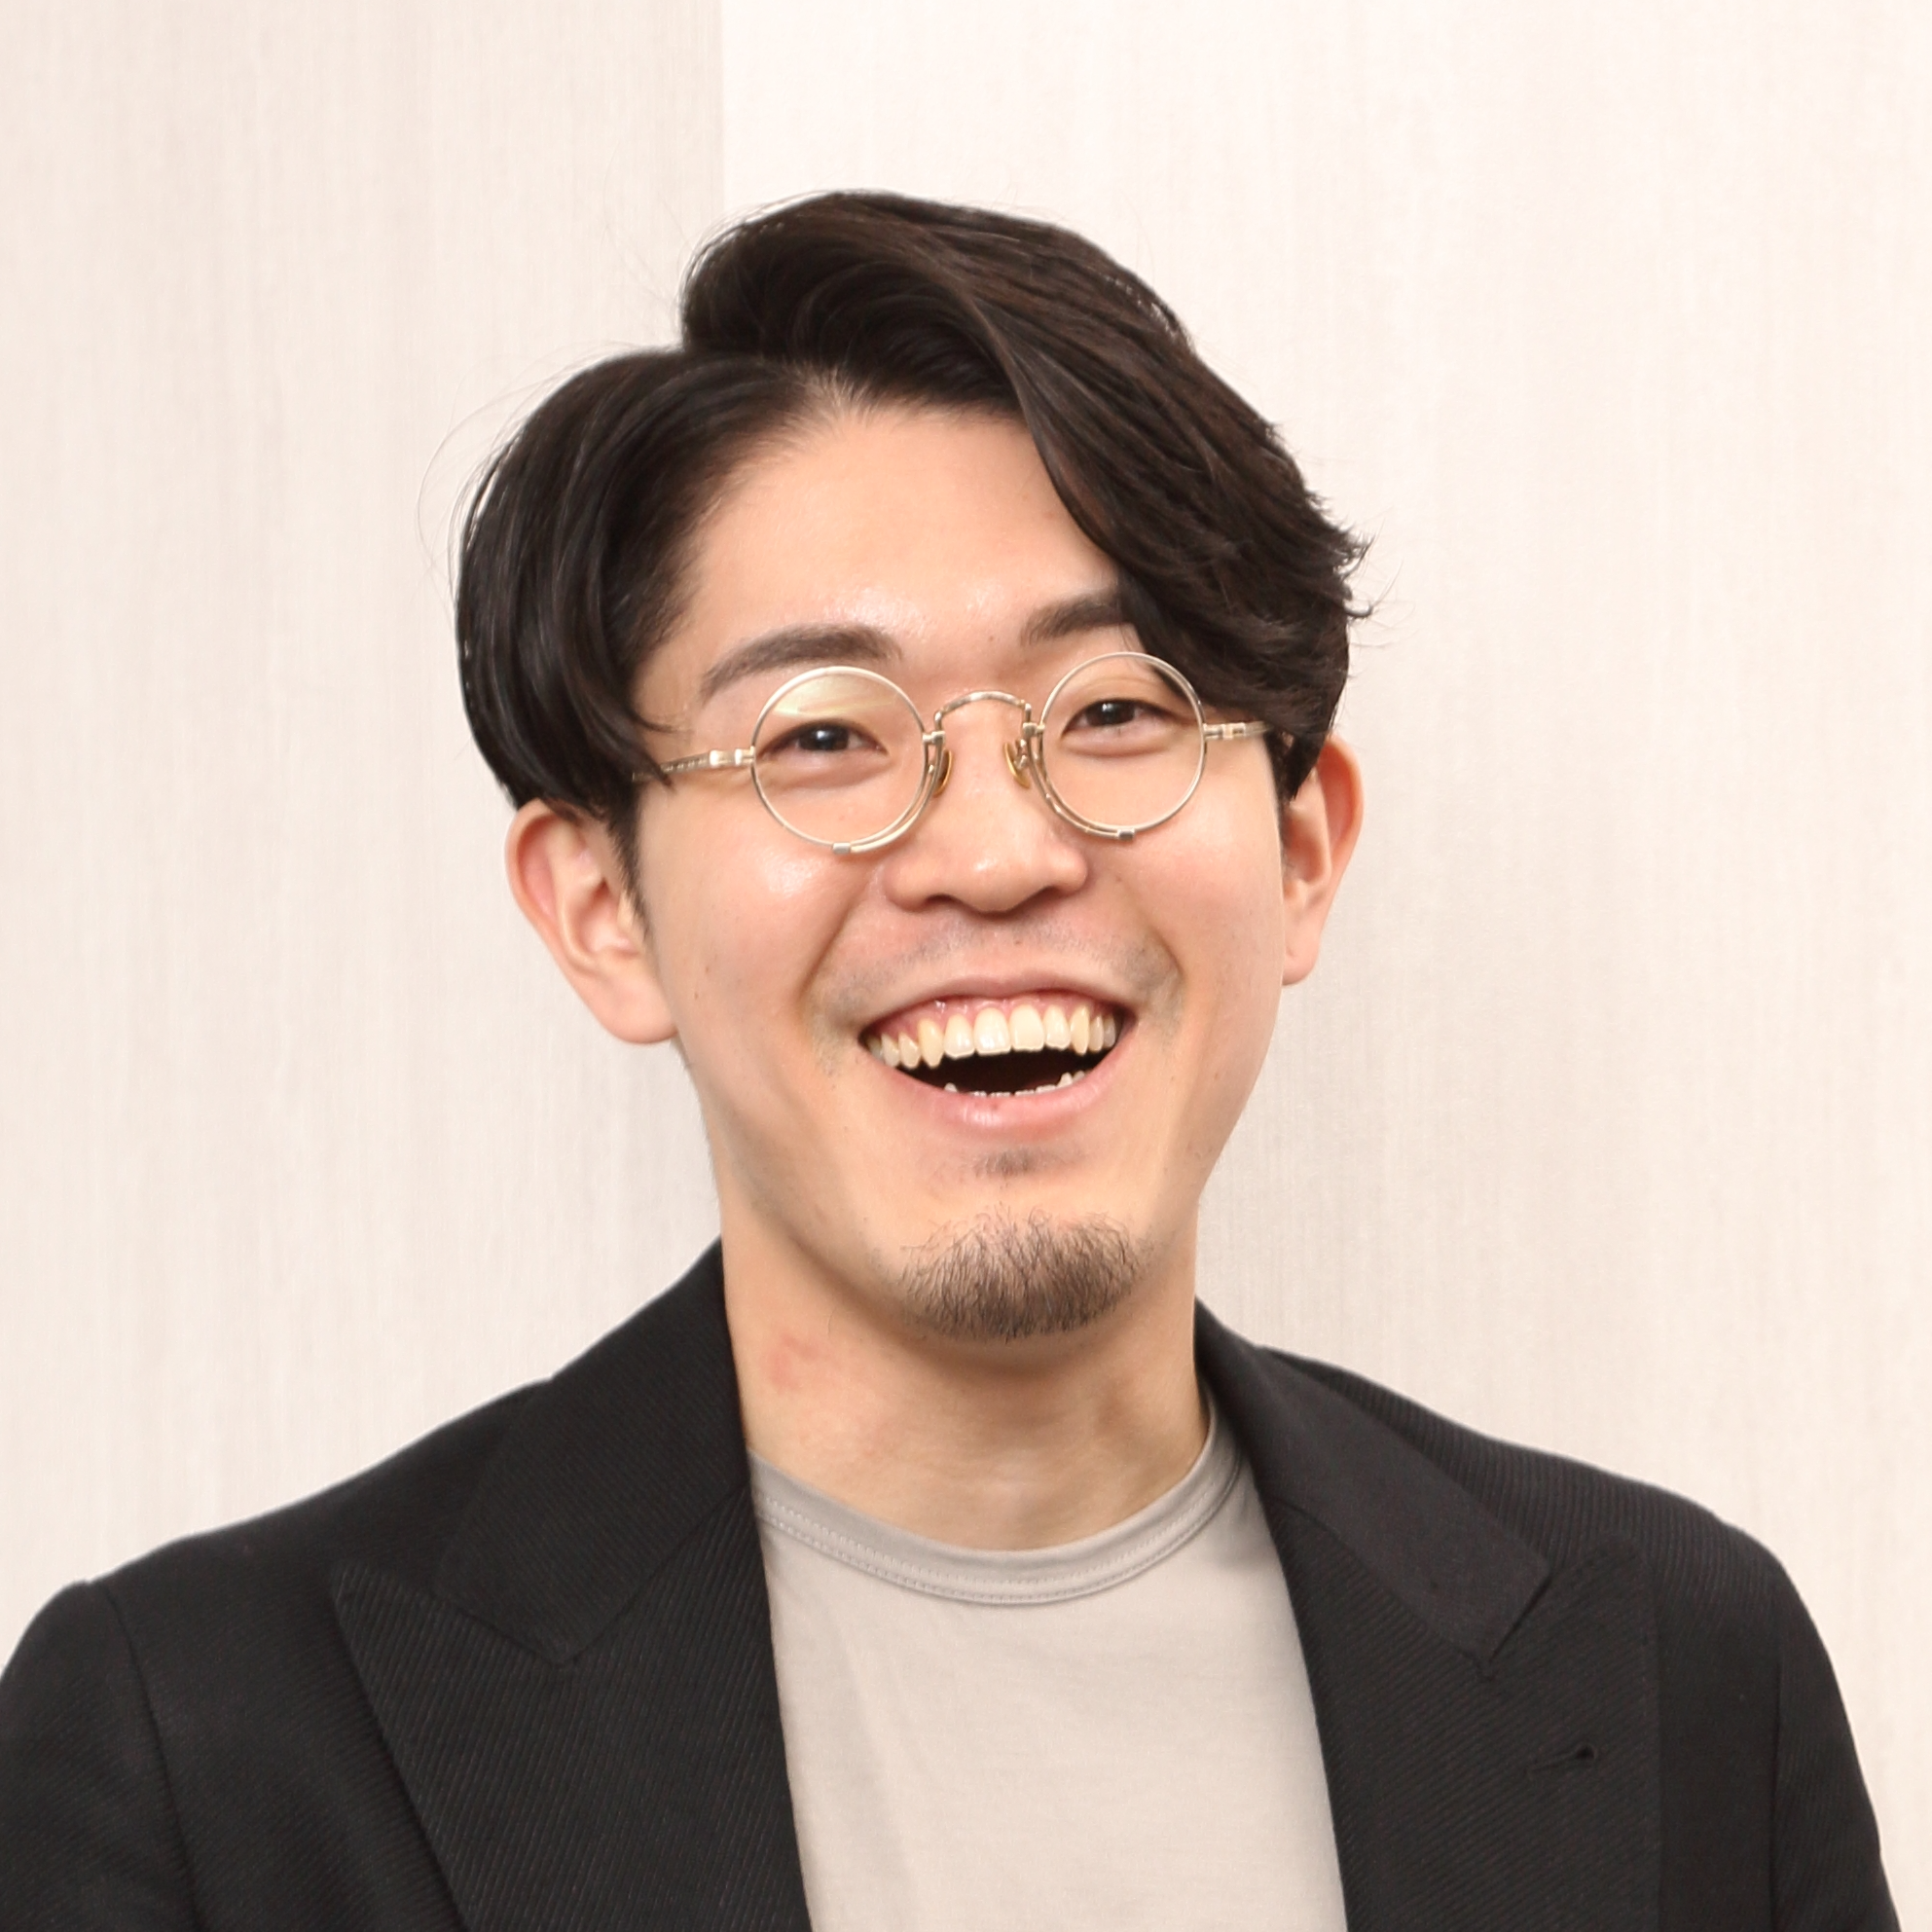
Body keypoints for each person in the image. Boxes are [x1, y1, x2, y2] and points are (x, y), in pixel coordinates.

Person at [0, 192, 1896, 1931]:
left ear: (1303, 849)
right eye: (822, 737)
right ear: (600, 908)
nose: (994, 852)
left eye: (1116, 707)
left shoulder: (1678, 1672)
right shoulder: (202, 1753)